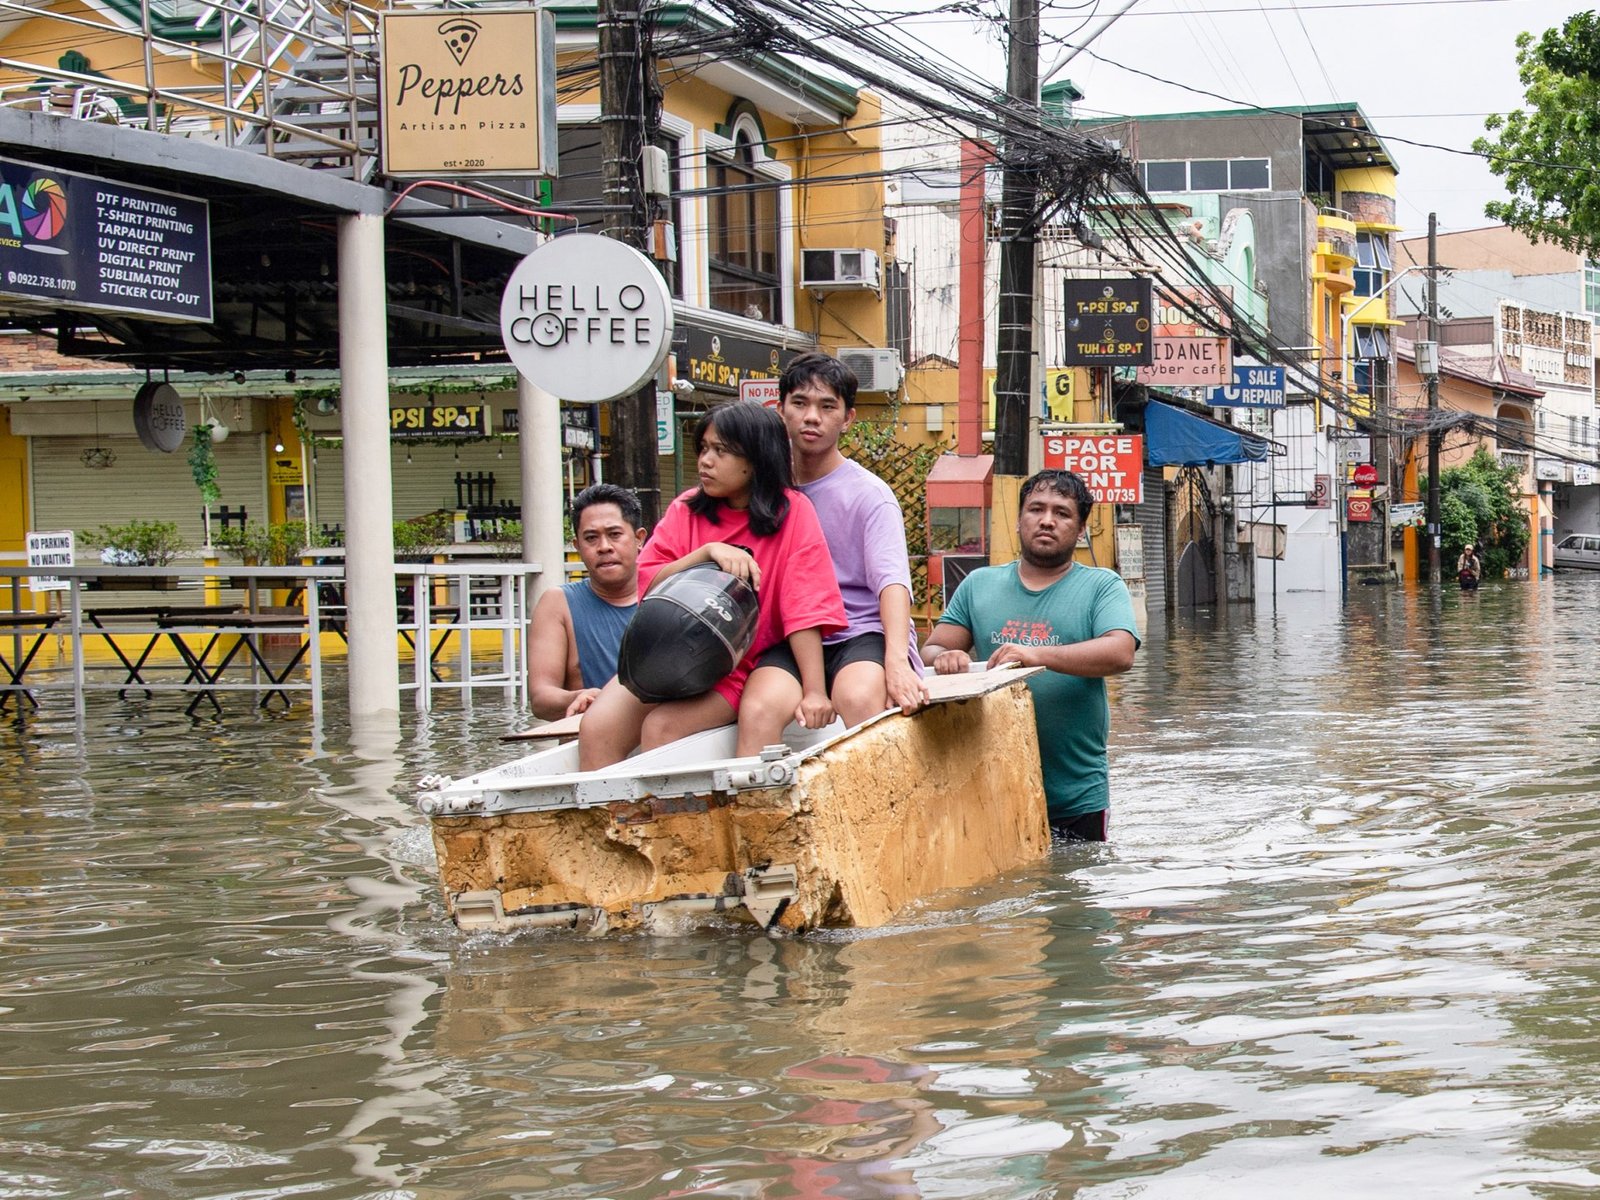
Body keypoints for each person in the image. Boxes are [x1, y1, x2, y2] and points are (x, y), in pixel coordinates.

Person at [578, 402, 846, 769]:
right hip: (676, 653)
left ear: (756, 457)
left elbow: (805, 608)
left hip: (746, 660)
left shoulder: (793, 512)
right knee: (597, 727)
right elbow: (646, 583)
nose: (705, 461)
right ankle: (611, 824)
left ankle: (675, 827)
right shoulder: (686, 508)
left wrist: (815, 690)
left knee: (662, 728)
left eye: (721, 451)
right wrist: (705, 553)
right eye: (703, 448)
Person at [921, 469, 1139, 841]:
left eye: (1062, 512)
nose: (1047, 521)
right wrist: (946, 659)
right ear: (1019, 520)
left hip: (1076, 796)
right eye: (1036, 509)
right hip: (992, 789)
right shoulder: (979, 585)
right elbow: (931, 649)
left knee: (1073, 894)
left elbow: (1120, 652)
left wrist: (1036, 655)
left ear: (1081, 528)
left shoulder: (1102, 585)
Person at [738, 352, 929, 745]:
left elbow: (892, 582)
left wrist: (896, 661)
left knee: (859, 698)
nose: (812, 417)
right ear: (780, 410)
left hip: (859, 632)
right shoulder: (761, 492)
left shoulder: (870, 494)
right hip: (790, 637)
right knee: (757, 710)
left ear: (848, 419)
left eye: (827, 407)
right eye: (800, 404)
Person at [528, 483, 647, 721]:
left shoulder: (667, 597)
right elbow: (541, 699)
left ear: (639, 538)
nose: (604, 547)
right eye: (591, 538)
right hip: (586, 741)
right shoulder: (558, 604)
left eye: (614, 535)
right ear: (577, 546)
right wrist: (580, 697)